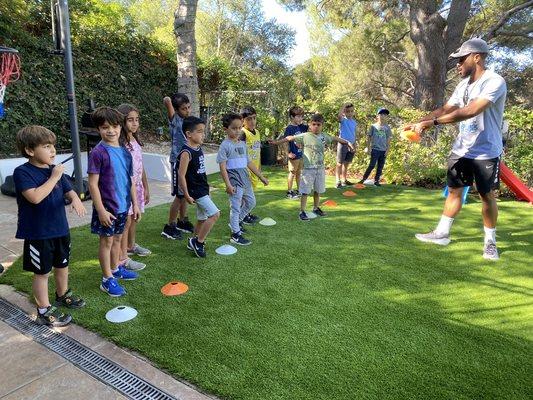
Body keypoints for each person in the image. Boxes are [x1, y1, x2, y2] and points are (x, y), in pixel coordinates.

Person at [409, 38, 507, 261]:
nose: (458, 64)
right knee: (454, 191)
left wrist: (432, 124)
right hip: (462, 149)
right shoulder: (463, 85)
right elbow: (447, 108)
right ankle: (442, 233)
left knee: (486, 195)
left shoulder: (495, 81)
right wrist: (420, 122)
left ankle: (490, 242)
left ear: (477, 57)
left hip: (486, 151)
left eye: (461, 59)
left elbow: (472, 110)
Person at [13, 125, 87, 327]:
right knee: (42, 272)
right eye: (46, 146)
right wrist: (53, 176)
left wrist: (75, 199)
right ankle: (44, 309)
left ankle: (62, 294)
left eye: (53, 146)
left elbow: (67, 189)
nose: (53, 150)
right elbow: (35, 197)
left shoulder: (53, 170)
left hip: (60, 229)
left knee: (62, 265)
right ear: (30, 150)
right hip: (39, 233)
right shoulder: (22, 173)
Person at [88, 107, 140, 297]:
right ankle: (106, 278)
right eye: (105, 127)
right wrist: (100, 210)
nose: (111, 131)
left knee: (118, 239)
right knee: (107, 242)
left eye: (115, 126)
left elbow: (130, 180)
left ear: (121, 127)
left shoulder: (126, 153)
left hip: (123, 206)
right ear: (98, 129)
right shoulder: (98, 152)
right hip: (107, 208)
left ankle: (116, 268)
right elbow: (93, 184)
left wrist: (134, 204)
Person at [270, 113, 354, 221]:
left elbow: (336, 138)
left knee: (317, 190)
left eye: (318, 124)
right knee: (305, 191)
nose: (316, 126)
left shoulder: (324, 136)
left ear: (322, 125)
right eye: (314, 124)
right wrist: (276, 142)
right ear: (310, 125)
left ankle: (315, 208)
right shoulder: (305, 136)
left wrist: (348, 143)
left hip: (320, 168)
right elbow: (289, 138)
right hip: (308, 169)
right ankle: (302, 211)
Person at [217, 112, 269, 245]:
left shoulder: (242, 144)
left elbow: (249, 162)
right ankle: (235, 234)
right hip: (235, 183)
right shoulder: (224, 146)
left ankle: (236, 223)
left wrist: (261, 177)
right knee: (235, 208)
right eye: (234, 128)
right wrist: (228, 185)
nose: (238, 131)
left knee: (251, 203)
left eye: (240, 127)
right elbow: (222, 167)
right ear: (225, 129)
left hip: (246, 181)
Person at [177, 116, 220, 258]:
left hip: (203, 188)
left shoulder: (198, 148)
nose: (203, 134)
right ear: (189, 134)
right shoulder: (186, 153)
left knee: (202, 218)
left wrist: (207, 188)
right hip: (196, 191)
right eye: (200, 131)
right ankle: (199, 242)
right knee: (214, 214)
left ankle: (193, 240)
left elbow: (200, 171)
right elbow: (181, 175)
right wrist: (187, 194)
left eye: (203, 131)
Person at [116, 104, 150, 272]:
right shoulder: (120, 144)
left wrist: (145, 186)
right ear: (122, 121)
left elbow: (140, 165)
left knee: (135, 218)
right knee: (126, 222)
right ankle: (123, 257)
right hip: (125, 188)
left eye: (137, 120)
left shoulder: (135, 140)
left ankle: (130, 245)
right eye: (130, 120)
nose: (134, 123)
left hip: (137, 187)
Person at [161, 92, 194, 240]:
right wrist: (171, 103)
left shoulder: (189, 121)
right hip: (177, 163)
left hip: (187, 163)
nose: (187, 111)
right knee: (179, 197)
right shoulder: (175, 120)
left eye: (188, 107)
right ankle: (170, 226)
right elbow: (167, 100)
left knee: (185, 194)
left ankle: (182, 220)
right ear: (176, 110)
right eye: (183, 108)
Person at [358, 108, 392, 187]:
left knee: (380, 167)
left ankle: (376, 181)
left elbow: (388, 139)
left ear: (387, 117)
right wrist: (368, 148)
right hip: (375, 149)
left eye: (385, 115)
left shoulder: (387, 128)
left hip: (383, 150)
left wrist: (387, 150)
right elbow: (369, 137)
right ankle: (364, 179)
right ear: (377, 116)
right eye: (381, 114)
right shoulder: (373, 126)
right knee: (372, 165)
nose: (383, 116)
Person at [240, 106, 261, 224]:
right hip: (246, 170)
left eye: (254, 118)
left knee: (250, 193)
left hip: (255, 169)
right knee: (245, 195)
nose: (252, 121)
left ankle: (247, 213)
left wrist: (259, 168)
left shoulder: (257, 132)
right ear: (243, 120)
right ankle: (242, 216)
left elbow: (258, 152)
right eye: (249, 119)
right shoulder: (243, 134)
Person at [283, 106, 307, 199]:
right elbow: (285, 142)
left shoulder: (301, 127)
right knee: (292, 173)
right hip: (293, 155)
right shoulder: (289, 128)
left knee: (299, 173)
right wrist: (287, 153)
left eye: (301, 116)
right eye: (298, 116)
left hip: (300, 154)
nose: (300, 118)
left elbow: (312, 126)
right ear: (292, 117)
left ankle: (299, 190)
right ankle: (289, 192)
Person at [336, 103, 357, 188]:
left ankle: (344, 180)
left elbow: (354, 133)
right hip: (343, 143)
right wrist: (344, 105)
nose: (350, 113)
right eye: (348, 111)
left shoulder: (354, 122)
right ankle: (338, 180)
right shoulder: (343, 120)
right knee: (339, 163)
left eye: (352, 111)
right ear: (344, 112)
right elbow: (339, 115)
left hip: (351, 145)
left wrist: (355, 144)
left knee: (346, 163)